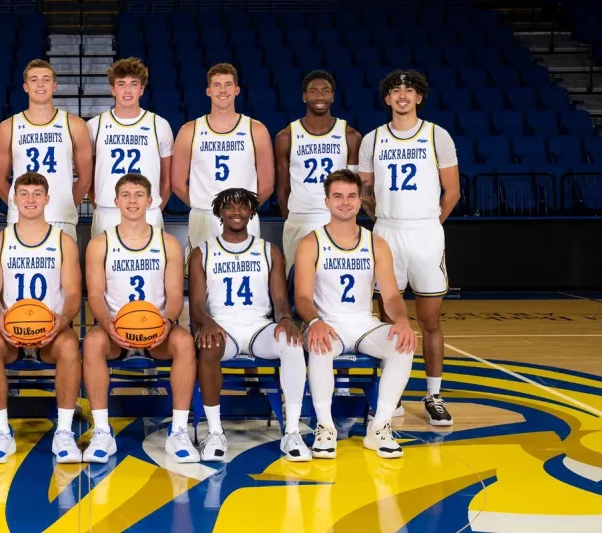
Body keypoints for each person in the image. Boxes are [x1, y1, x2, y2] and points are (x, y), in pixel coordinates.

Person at [358, 69, 460, 426]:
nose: (402, 95)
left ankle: (434, 394)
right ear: (387, 98)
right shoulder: (372, 139)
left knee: (429, 321)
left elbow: (452, 192)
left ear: (419, 97)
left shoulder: (436, 135)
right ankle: (393, 394)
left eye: (409, 90)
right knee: (389, 320)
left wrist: (431, 223)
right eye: (396, 90)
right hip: (387, 232)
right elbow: (365, 192)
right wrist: (383, 221)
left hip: (426, 232)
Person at [293, 169, 417, 459]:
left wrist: (402, 320)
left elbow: (391, 296)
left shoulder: (376, 244)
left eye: (351, 196)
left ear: (361, 201)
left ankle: (380, 426)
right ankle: (325, 428)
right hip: (327, 324)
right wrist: (314, 322)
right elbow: (302, 297)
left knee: (403, 344)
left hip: (363, 324)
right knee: (321, 346)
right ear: (327, 201)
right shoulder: (311, 242)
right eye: (338, 196)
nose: (345, 202)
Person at [81, 174, 198, 464]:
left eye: (138, 195)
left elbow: (174, 295)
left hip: (157, 330)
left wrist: (167, 323)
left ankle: (179, 431)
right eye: (126, 195)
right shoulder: (100, 244)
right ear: (116, 201)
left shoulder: (167, 243)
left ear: (150, 201)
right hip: (115, 329)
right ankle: (102, 431)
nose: (132, 201)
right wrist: (107, 324)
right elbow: (95, 295)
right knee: (92, 343)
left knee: (184, 342)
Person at [189, 188, 307, 462]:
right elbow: (195, 304)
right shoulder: (202, 252)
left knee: (292, 344)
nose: (237, 212)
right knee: (209, 348)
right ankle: (215, 432)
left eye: (243, 207)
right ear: (219, 212)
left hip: (258, 327)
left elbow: (280, 299)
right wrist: (207, 323)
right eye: (230, 207)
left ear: (252, 212)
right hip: (222, 326)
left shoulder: (268, 250)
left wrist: (286, 319)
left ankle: (292, 432)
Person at [0, 172, 83, 463]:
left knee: (70, 346)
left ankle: (64, 432)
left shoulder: (63, 242)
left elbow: (74, 293)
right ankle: (2, 431)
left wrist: (62, 321)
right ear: (14, 199)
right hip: (10, 330)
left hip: (50, 329)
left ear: (47, 199)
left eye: (37, 194)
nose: (30, 200)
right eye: (24, 193)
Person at [170, 62, 274, 255]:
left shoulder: (256, 130)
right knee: (200, 271)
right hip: (203, 216)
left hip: (243, 218)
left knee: (245, 271)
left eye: (228, 84)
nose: (223, 90)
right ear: (208, 91)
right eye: (217, 85)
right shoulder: (189, 131)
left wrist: (242, 210)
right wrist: (204, 205)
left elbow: (267, 185)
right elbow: (177, 183)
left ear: (237, 90)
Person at [0, 59, 94, 241]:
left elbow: (86, 179)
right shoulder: (8, 127)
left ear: (54, 86)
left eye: (46, 79)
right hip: (20, 218)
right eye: (34, 80)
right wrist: (21, 205)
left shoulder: (75, 125)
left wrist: (65, 205)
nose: (40, 84)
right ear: (25, 87)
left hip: (62, 217)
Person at [276, 70, 363, 274]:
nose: (320, 96)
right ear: (304, 96)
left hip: (335, 218)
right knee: (296, 282)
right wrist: (294, 215)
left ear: (332, 96)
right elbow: (282, 188)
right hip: (299, 219)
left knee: (332, 282)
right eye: (313, 91)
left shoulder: (350, 136)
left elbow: (354, 187)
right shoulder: (286, 136)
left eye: (325, 91)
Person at [87, 57, 174, 235]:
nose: (127, 90)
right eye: (121, 84)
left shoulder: (159, 124)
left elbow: (167, 180)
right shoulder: (95, 125)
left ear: (141, 89)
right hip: (107, 211)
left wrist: (154, 207)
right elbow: (88, 176)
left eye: (133, 84)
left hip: (148, 212)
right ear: (113, 89)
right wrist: (101, 204)